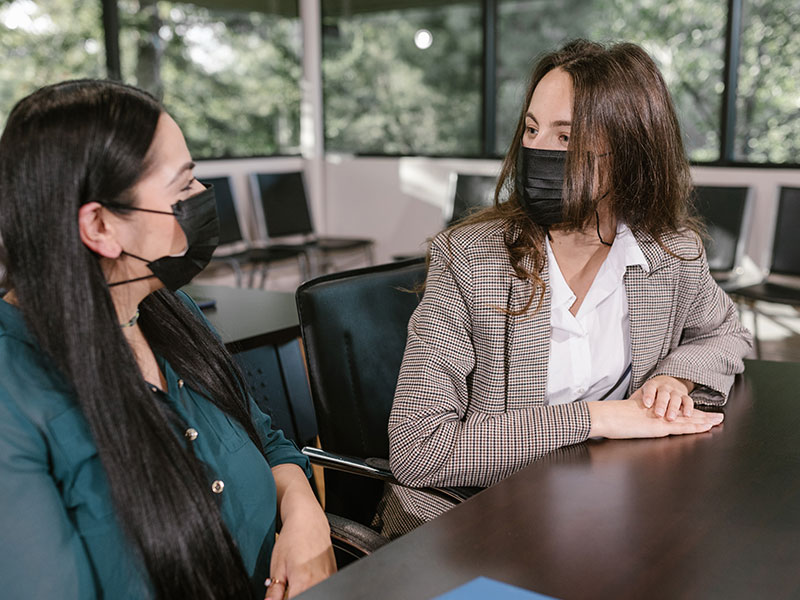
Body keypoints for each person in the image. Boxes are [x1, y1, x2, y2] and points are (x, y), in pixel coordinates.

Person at [381, 40, 752, 537]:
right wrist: (599, 418)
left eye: (565, 137)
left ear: (629, 151)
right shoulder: (469, 259)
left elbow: (725, 333)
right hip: (471, 526)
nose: (536, 151)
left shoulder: (670, 253)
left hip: (597, 508)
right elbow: (417, 449)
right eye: (532, 130)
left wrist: (675, 378)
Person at [0, 80, 335, 599]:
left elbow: (268, 442)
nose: (202, 199)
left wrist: (305, 517)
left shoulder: (165, 309)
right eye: (183, 187)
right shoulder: (13, 393)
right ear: (101, 226)